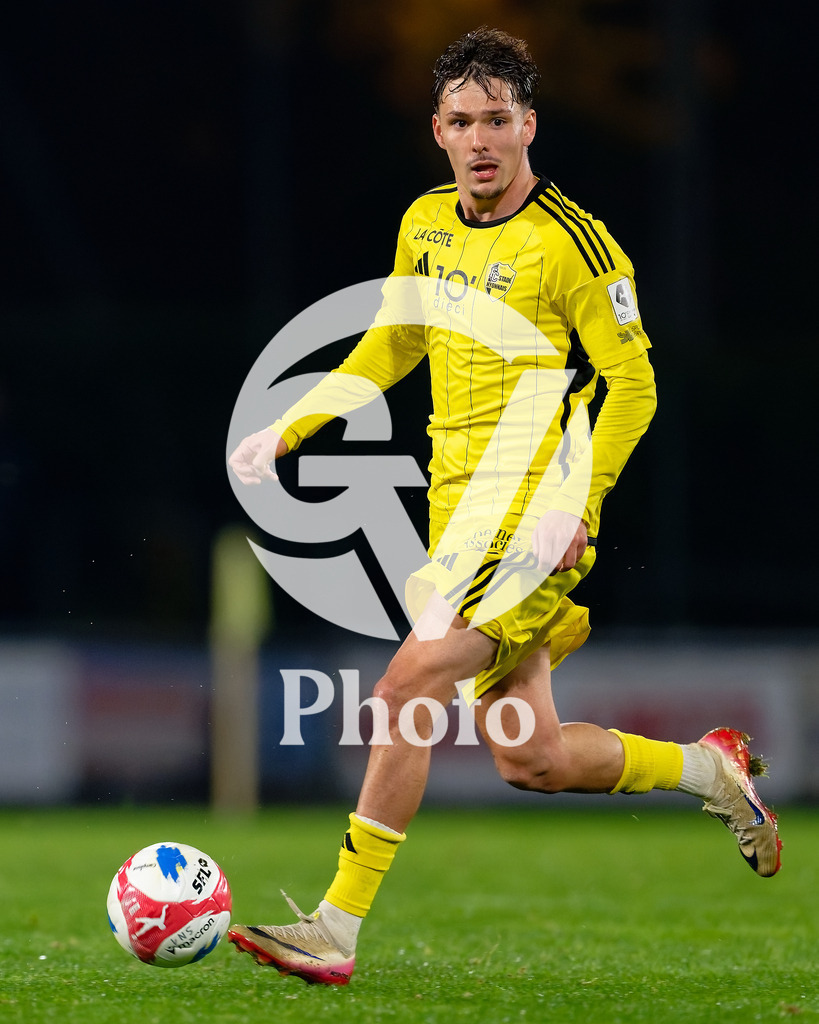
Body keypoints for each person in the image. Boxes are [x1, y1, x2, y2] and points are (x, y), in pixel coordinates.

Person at [226, 27, 781, 986]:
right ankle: (708, 770)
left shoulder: (574, 243)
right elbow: (392, 347)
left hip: (532, 521)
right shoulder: (424, 224)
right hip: (455, 520)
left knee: (401, 692)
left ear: (528, 125)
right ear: (436, 131)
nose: (479, 138)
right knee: (531, 757)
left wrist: (581, 506)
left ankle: (334, 929)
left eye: (496, 119)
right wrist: (292, 426)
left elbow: (634, 386)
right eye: (460, 121)